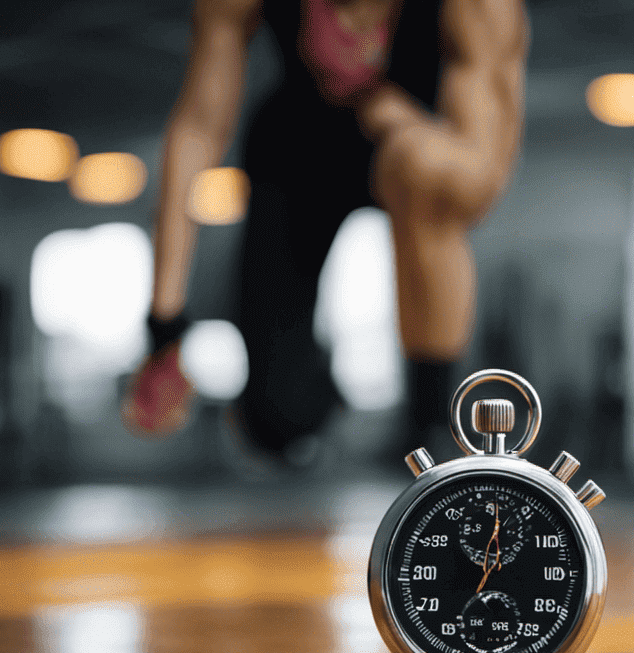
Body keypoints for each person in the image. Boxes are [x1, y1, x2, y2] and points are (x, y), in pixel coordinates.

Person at [122, 0, 529, 464]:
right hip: (299, 150)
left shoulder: (475, 8)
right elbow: (198, 126)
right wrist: (164, 324)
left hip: (415, 140)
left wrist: (398, 121)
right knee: (273, 421)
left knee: (423, 167)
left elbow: (479, 179)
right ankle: (310, 393)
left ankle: (432, 418)